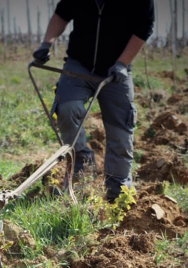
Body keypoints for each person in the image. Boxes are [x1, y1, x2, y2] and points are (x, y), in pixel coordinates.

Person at [33, 0, 155, 202]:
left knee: (121, 130)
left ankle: (118, 190)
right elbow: (62, 14)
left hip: (116, 68)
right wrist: (46, 44)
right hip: (79, 64)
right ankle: (83, 163)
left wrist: (122, 63)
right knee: (67, 108)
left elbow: (144, 28)